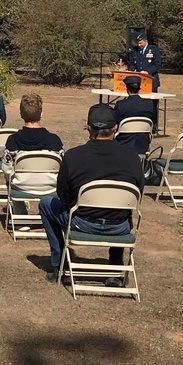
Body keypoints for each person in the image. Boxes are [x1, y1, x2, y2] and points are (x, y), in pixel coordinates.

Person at [37, 104, 144, 284]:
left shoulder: (73, 157)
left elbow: (64, 196)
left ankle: (59, 265)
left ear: (88, 126)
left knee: (46, 203)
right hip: (119, 226)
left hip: (82, 223)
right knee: (120, 208)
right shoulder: (133, 158)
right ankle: (115, 270)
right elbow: (137, 194)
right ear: (116, 128)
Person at [2, 93, 64, 194]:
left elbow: (7, 169)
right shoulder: (55, 140)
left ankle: (19, 209)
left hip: (20, 185)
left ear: (21, 114)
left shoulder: (12, 140)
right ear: (41, 114)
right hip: (50, 186)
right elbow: (62, 167)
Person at [113, 74, 156, 153]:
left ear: (126, 88)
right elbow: (153, 122)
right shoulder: (149, 104)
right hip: (143, 144)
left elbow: (115, 123)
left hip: (123, 143)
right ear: (140, 88)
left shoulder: (121, 105)